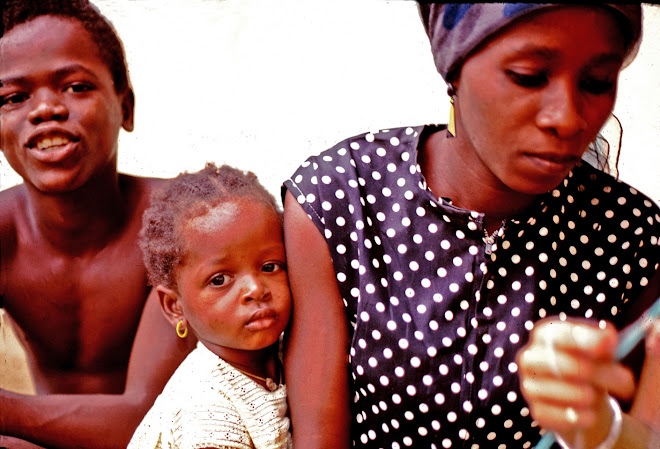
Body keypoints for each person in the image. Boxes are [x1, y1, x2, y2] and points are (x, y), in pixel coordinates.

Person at [282, 3, 660, 449]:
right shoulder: (343, 198)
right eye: (528, 76)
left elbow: (646, 435)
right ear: (454, 67)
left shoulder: (632, 237)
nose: (568, 118)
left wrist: (603, 430)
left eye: (597, 83)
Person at [0, 1, 194, 447]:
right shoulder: (4, 235)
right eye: (13, 97)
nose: (46, 108)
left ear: (125, 107)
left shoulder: (177, 220)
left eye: (75, 86)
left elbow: (149, 418)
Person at [128, 163, 292, 448]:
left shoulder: (286, 351)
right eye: (219, 280)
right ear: (174, 306)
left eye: (270, 266)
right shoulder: (205, 410)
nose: (255, 289)